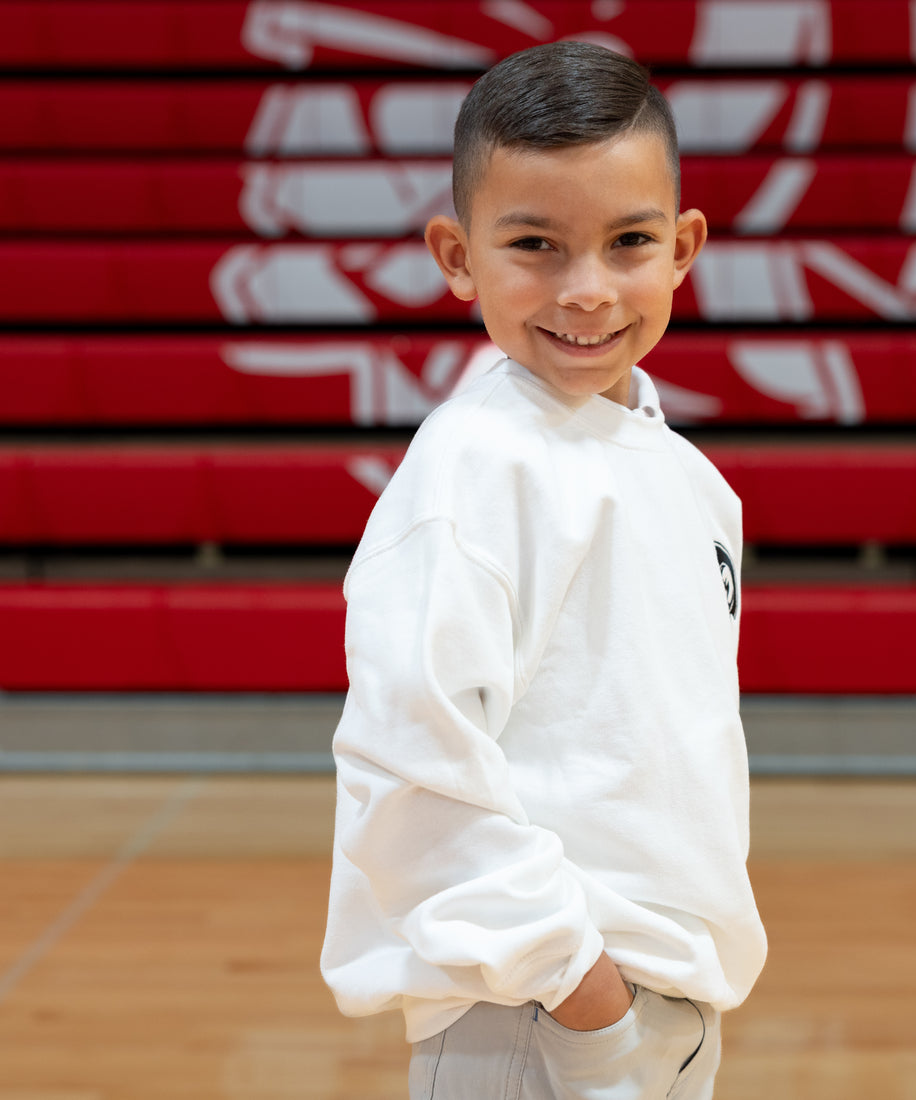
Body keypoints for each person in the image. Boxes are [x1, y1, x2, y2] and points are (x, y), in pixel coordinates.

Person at [320, 41, 767, 1100]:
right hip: (540, 1017)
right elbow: (409, 774)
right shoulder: (471, 469)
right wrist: (581, 992)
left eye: (627, 242)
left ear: (682, 247)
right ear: (456, 253)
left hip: (669, 1008)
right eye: (534, 244)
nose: (587, 289)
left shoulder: (691, 479)